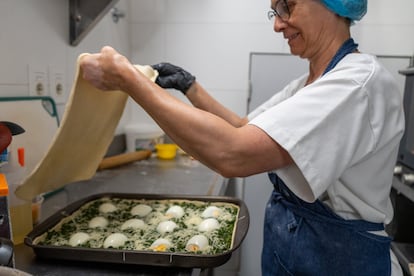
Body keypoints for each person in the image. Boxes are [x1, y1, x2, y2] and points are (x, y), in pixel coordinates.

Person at [80, 0, 405, 274]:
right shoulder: (309, 84)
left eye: (286, 6)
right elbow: (241, 127)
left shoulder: (357, 84)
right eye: (274, 11)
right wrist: (188, 85)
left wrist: (130, 81)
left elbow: (233, 153)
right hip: (300, 249)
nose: (278, 25)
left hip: (341, 259)